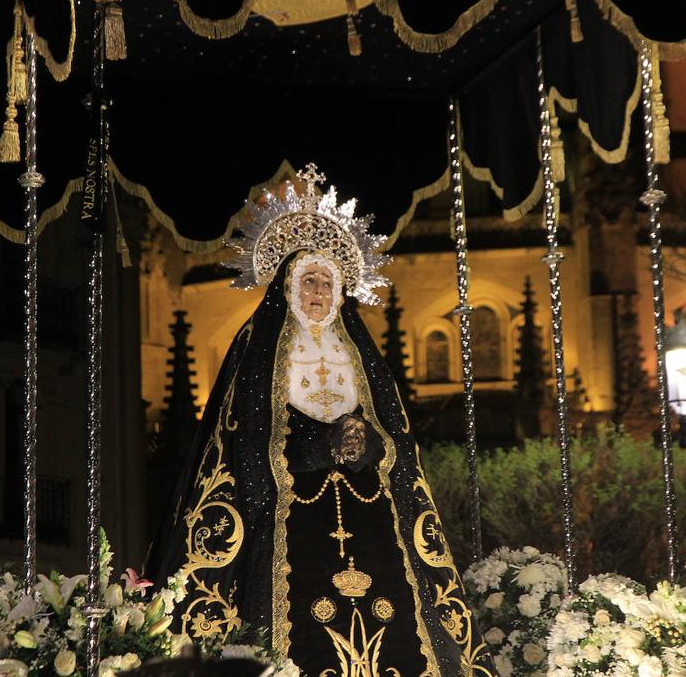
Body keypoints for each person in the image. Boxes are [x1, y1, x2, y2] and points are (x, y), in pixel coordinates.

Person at [146, 165, 495, 676]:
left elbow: (397, 438)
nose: (317, 291)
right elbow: (245, 438)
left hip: (371, 512)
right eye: (307, 279)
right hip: (290, 513)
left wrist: (368, 444)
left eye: (327, 282)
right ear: (287, 287)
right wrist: (315, 445)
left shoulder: (360, 354)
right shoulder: (259, 354)